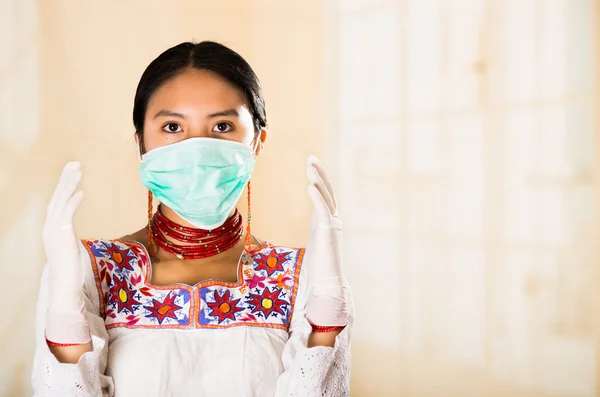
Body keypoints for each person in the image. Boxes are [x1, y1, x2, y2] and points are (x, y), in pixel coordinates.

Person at [31, 41, 352, 396]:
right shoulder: (89, 271)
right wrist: (64, 307)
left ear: (258, 141)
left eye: (222, 127)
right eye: (172, 127)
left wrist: (327, 307)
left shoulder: (302, 276)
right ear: (141, 143)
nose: (197, 147)